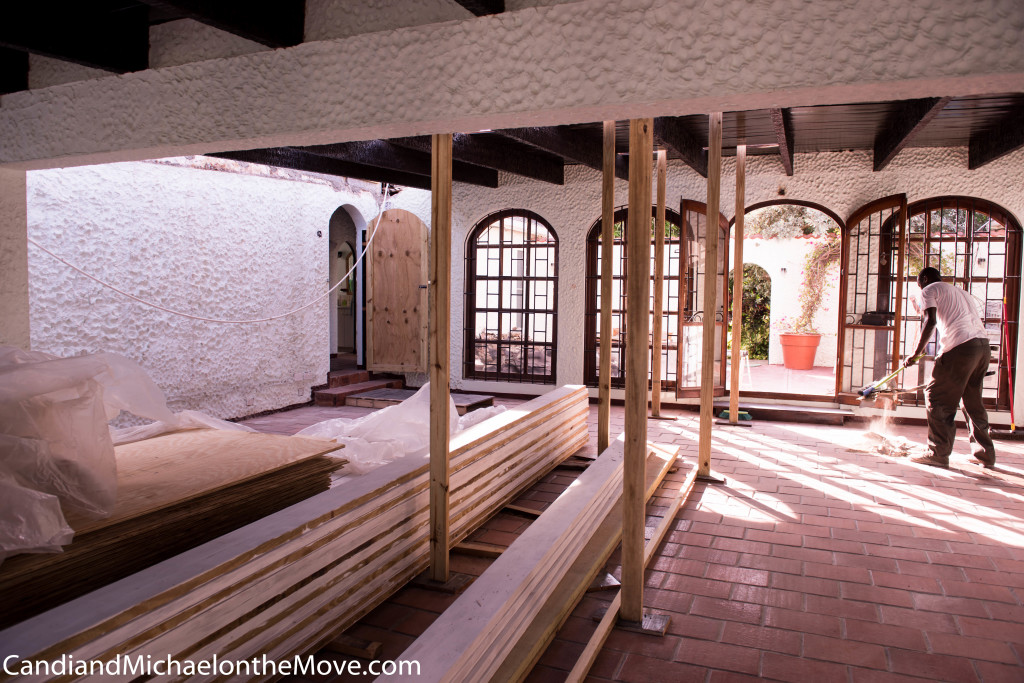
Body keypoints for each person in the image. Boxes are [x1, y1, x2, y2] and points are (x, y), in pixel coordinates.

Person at [903, 267, 996, 469]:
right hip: (982, 347)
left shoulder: (929, 290)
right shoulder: (959, 292)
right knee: (972, 402)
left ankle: (937, 452)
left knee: (937, 397)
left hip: (960, 347)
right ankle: (984, 454)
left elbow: (930, 321)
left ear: (924, 279)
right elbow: (925, 313)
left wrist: (916, 353)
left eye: (919, 284)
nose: (920, 289)